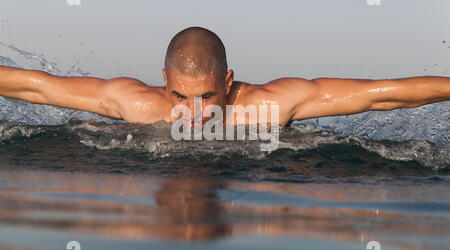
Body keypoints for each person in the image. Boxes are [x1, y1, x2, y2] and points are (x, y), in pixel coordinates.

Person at [1, 26, 449, 128]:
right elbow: (36, 86)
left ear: (230, 81)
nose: (193, 113)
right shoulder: (137, 104)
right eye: (180, 96)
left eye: (207, 97)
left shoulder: (262, 108)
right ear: (163, 79)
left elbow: (379, 96)